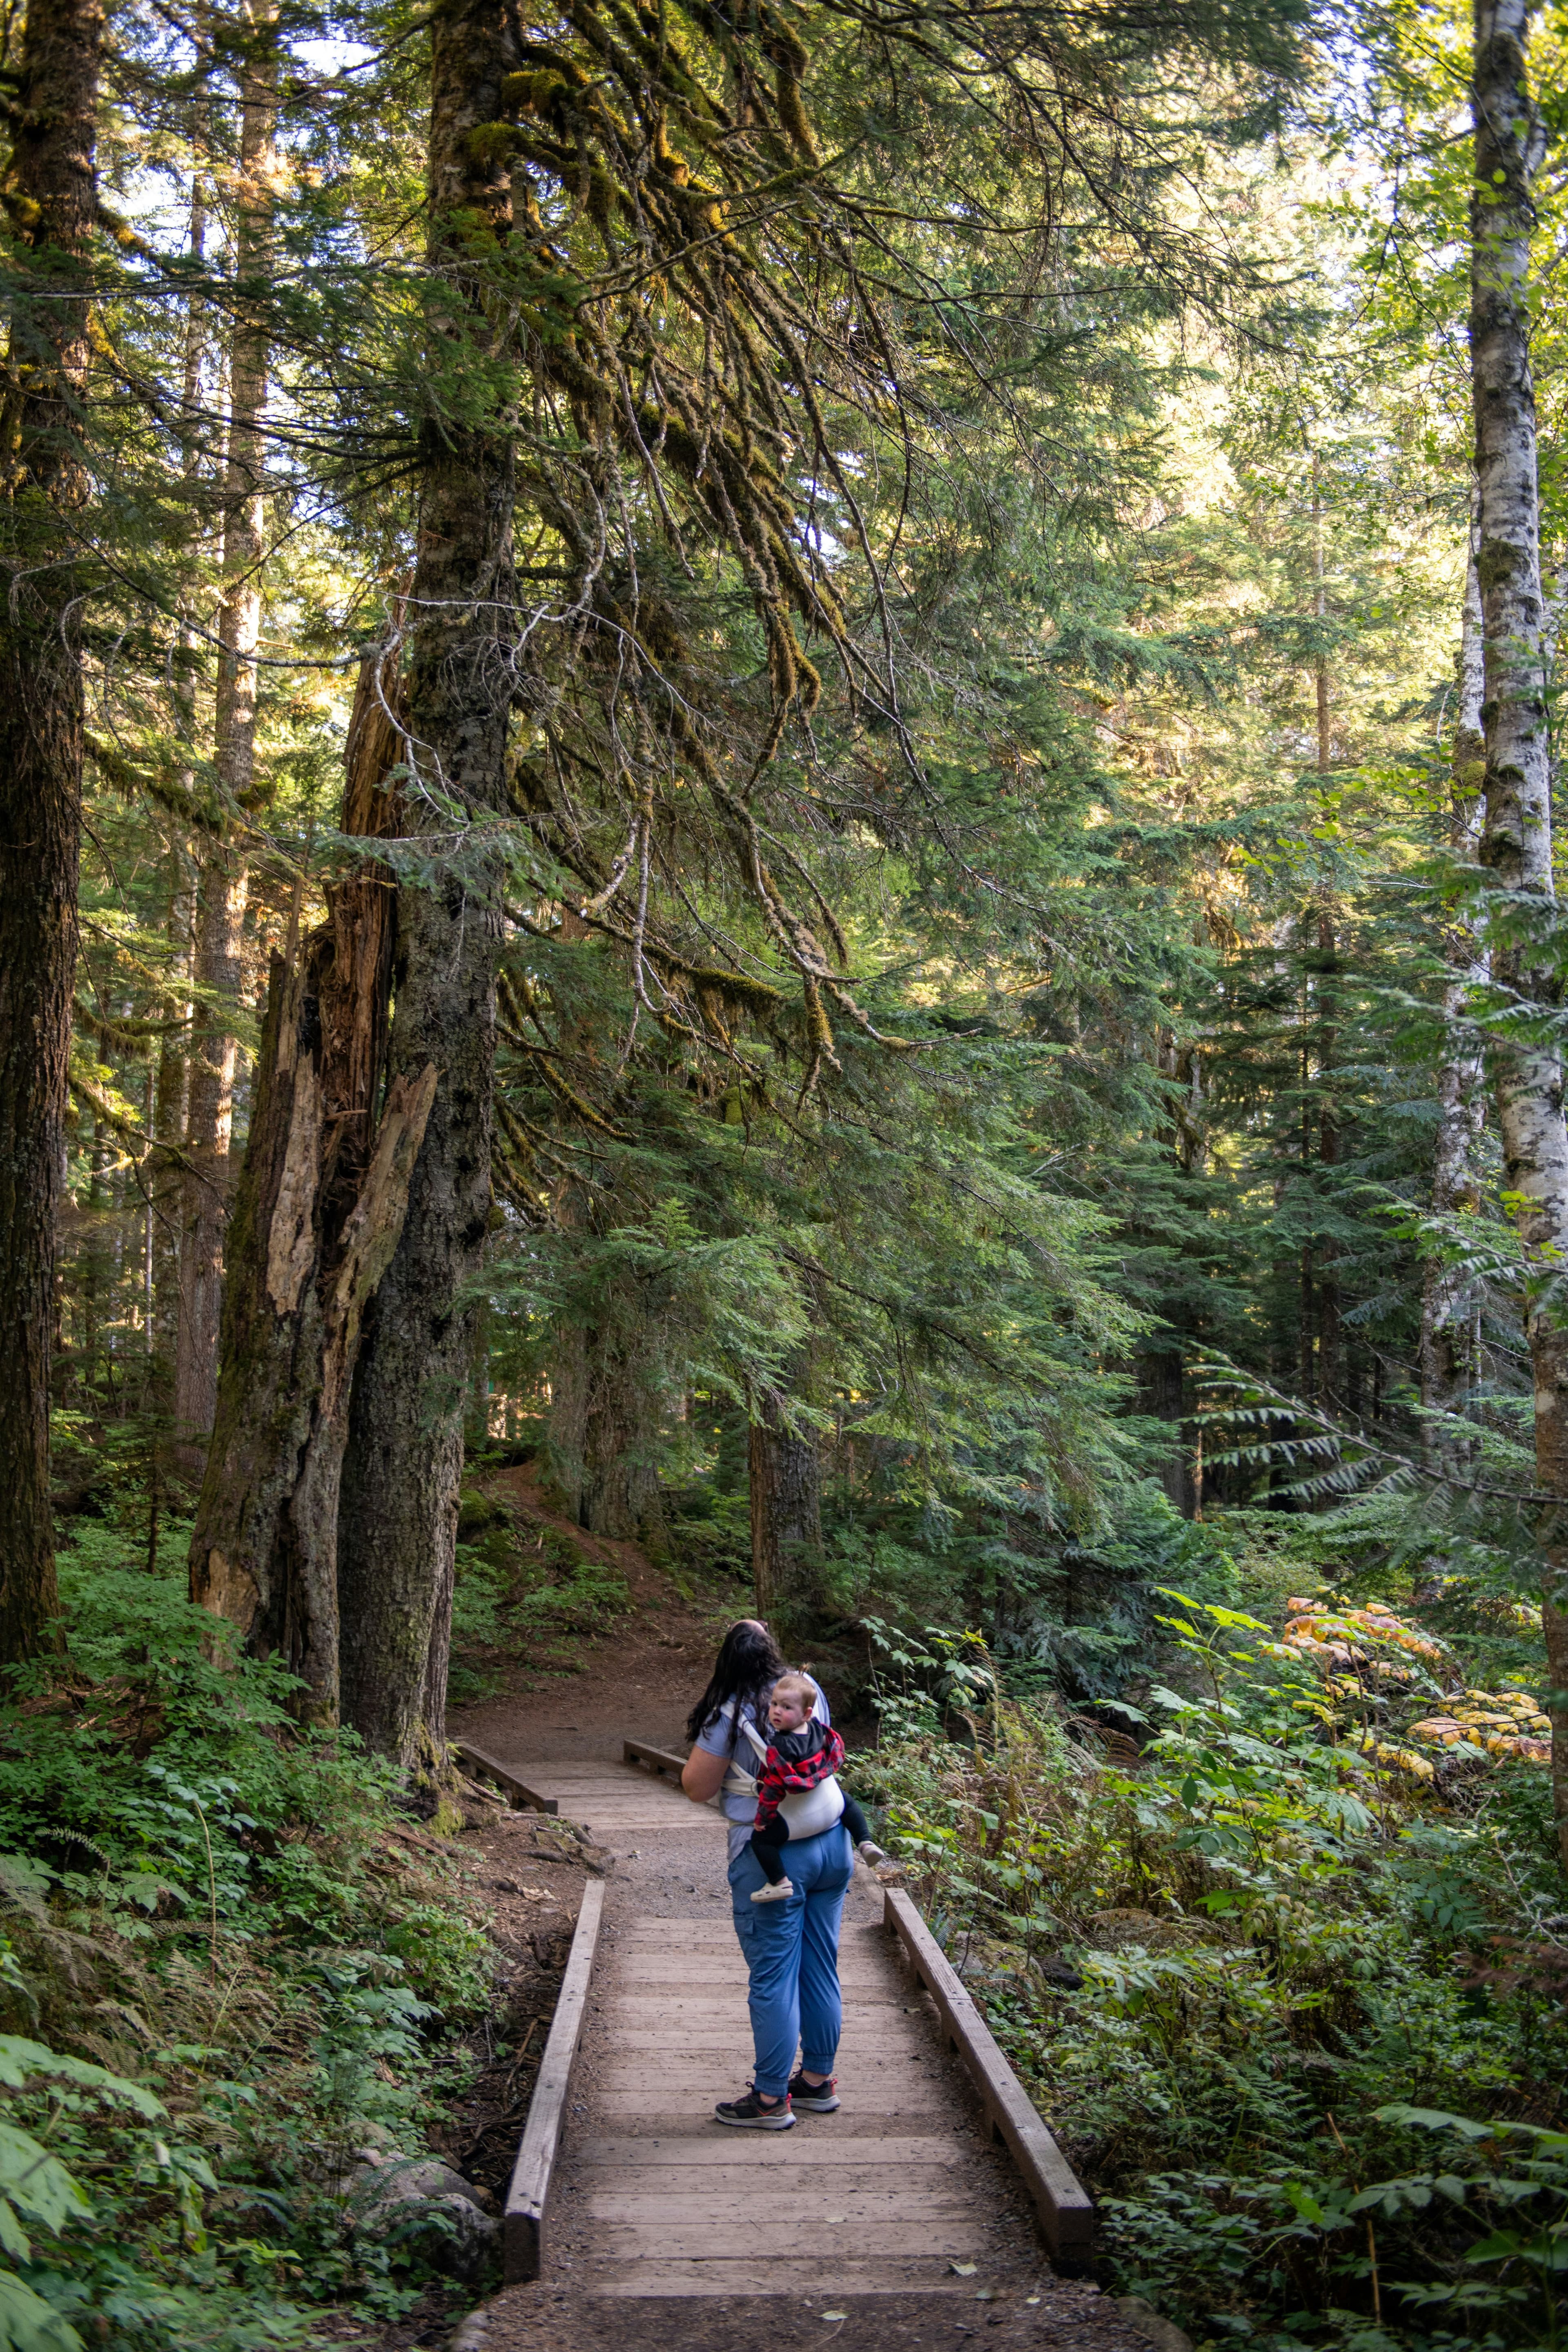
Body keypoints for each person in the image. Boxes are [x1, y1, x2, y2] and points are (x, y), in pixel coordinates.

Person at [680, 1621, 854, 2129]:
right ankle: (817, 2083)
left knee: (774, 1974)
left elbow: (696, 1787)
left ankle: (770, 2099)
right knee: (821, 1963)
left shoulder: (730, 1710)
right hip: (831, 1839)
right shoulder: (805, 1690)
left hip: (774, 1852)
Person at [745, 1670, 885, 1903]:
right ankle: (865, 1842)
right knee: (848, 1804)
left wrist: (763, 1818)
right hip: (826, 1798)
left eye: (787, 1707)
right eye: (775, 1704)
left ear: (806, 1713)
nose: (777, 1711)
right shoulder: (818, 1729)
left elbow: (776, 1786)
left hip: (795, 1814)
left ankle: (779, 1882)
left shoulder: (781, 1745)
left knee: (761, 1842)